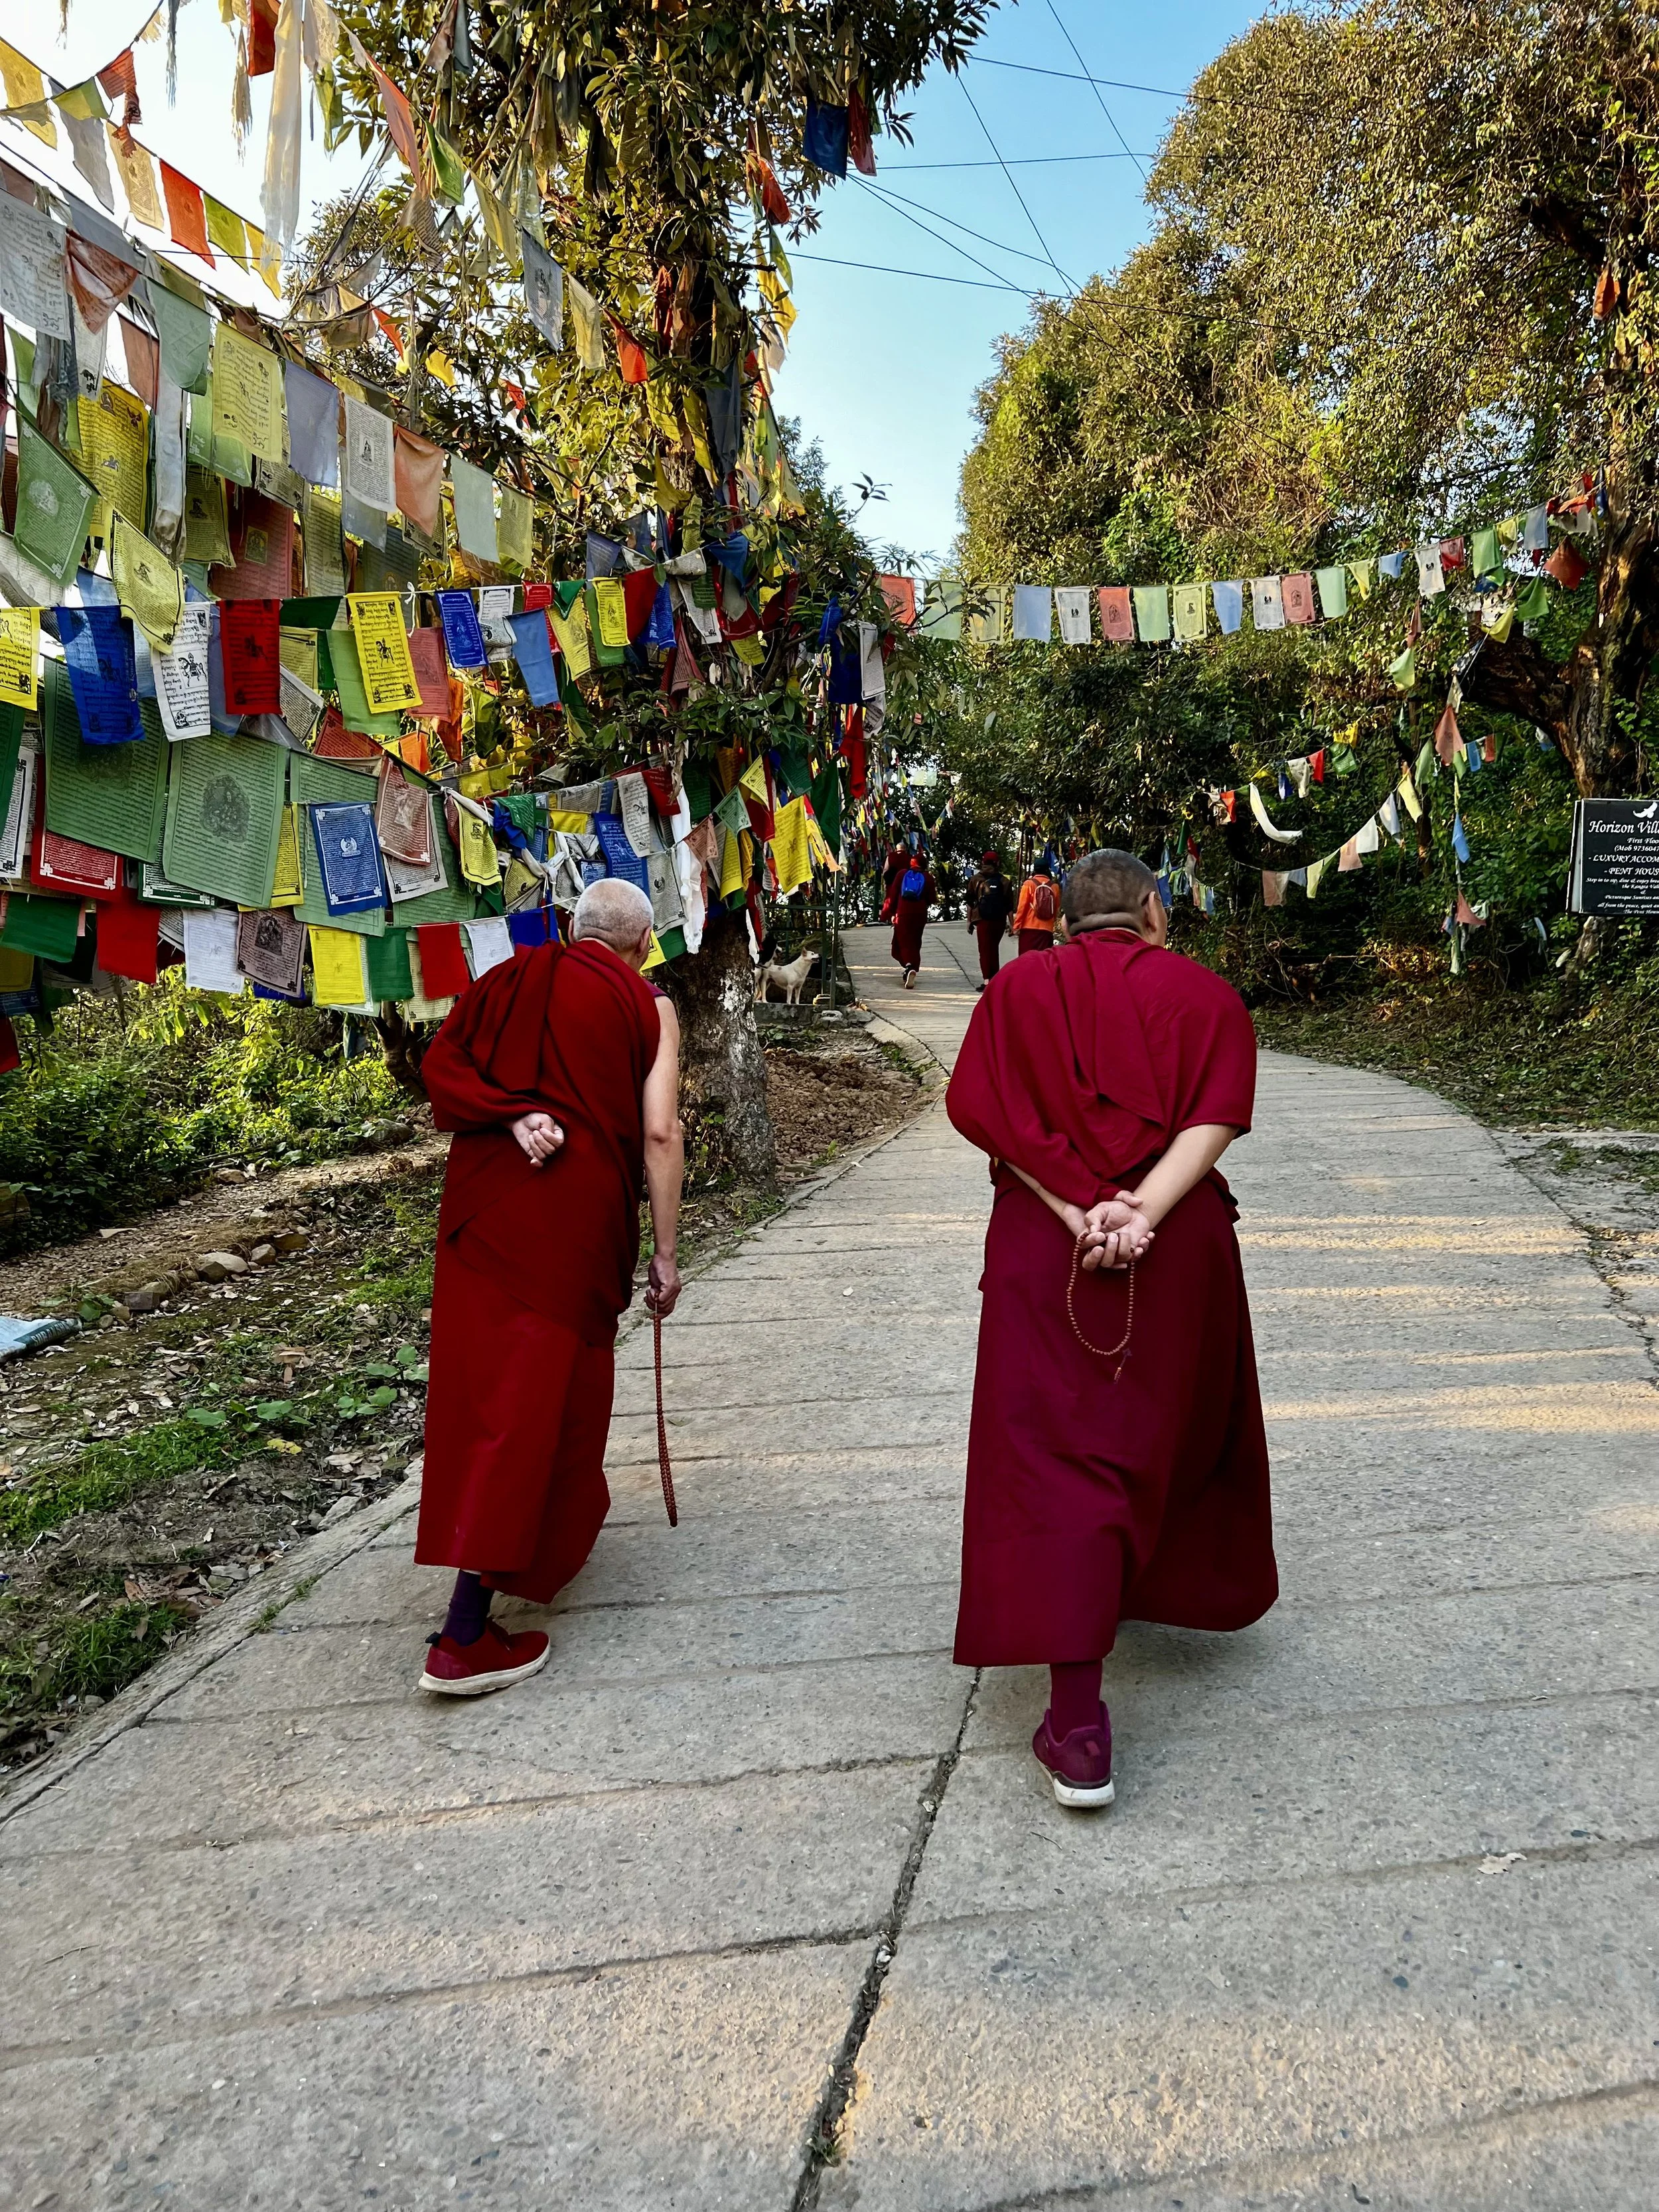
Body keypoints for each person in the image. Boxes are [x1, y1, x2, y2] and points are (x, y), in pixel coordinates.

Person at [945, 848, 1276, 1808]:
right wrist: (1142, 1216)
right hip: (1176, 1249)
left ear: (1063, 917)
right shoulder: (1208, 997)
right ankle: (1106, 1637)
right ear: (1152, 912)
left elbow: (993, 1121)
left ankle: (1079, 1723)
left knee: (1054, 1456)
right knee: (1156, 1431)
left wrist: (1086, 1209)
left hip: (1046, 1245)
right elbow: (1213, 1122)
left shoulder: (1011, 996)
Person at [413, 878, 684, 1694]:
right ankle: (462, 1637)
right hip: (568, 1227)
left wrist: (508, 1112)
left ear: (571, 928)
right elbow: (661, 1132)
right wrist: (666, 1255)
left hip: (484, 1219)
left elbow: (442, 1064)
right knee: (539, 1412)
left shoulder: (505, 977)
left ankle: (481, 1582)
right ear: (641, 945)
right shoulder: (649, 1005)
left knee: (483, 1401)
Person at [964, 851, 1012, 990]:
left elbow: (970, 902)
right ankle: (995, 979)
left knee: (984, 950)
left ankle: (987, 981)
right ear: (997, 863)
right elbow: (1009, 905)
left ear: (983, 862)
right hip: (999, 919)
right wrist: (1012, 924)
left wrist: (969, 921)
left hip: (982, 918)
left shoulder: (975, 879)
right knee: (993, 949)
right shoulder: (1005, 881)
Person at [889, 849, 935, 989]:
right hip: (920, 913)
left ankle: (909, 967)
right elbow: (932, 899)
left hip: (903, 912)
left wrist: (891, 913)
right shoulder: (928, 877)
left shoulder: (902, 874)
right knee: (915, 941)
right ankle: (911, 967)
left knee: (902, 941)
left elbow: (894, 895)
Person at [1012, 855, 1060, 954]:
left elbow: (1022, 908)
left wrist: (1016, 927)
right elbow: (1056, 909)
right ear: (1047, 869)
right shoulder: (1055, 887)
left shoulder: (1028, 884)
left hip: (1028, 930)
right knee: (1043, 963)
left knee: (1026, 961)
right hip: (1047, 931)